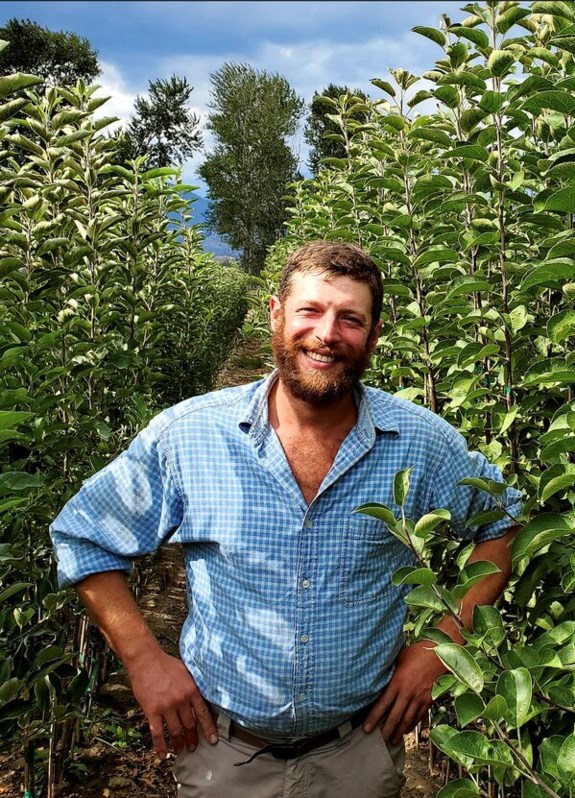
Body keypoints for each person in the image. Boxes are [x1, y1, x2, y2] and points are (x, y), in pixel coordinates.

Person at [50, 241, 523, 798]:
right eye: (310, 311)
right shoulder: (192, 435)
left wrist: (443, 645)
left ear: (373, 337)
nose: (327, 333)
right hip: (222, 753)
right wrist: (144, 661)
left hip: (358, 751)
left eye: (351, 319)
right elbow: (85, 536)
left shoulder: (421, 442)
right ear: (276, 315)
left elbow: (501, 522)